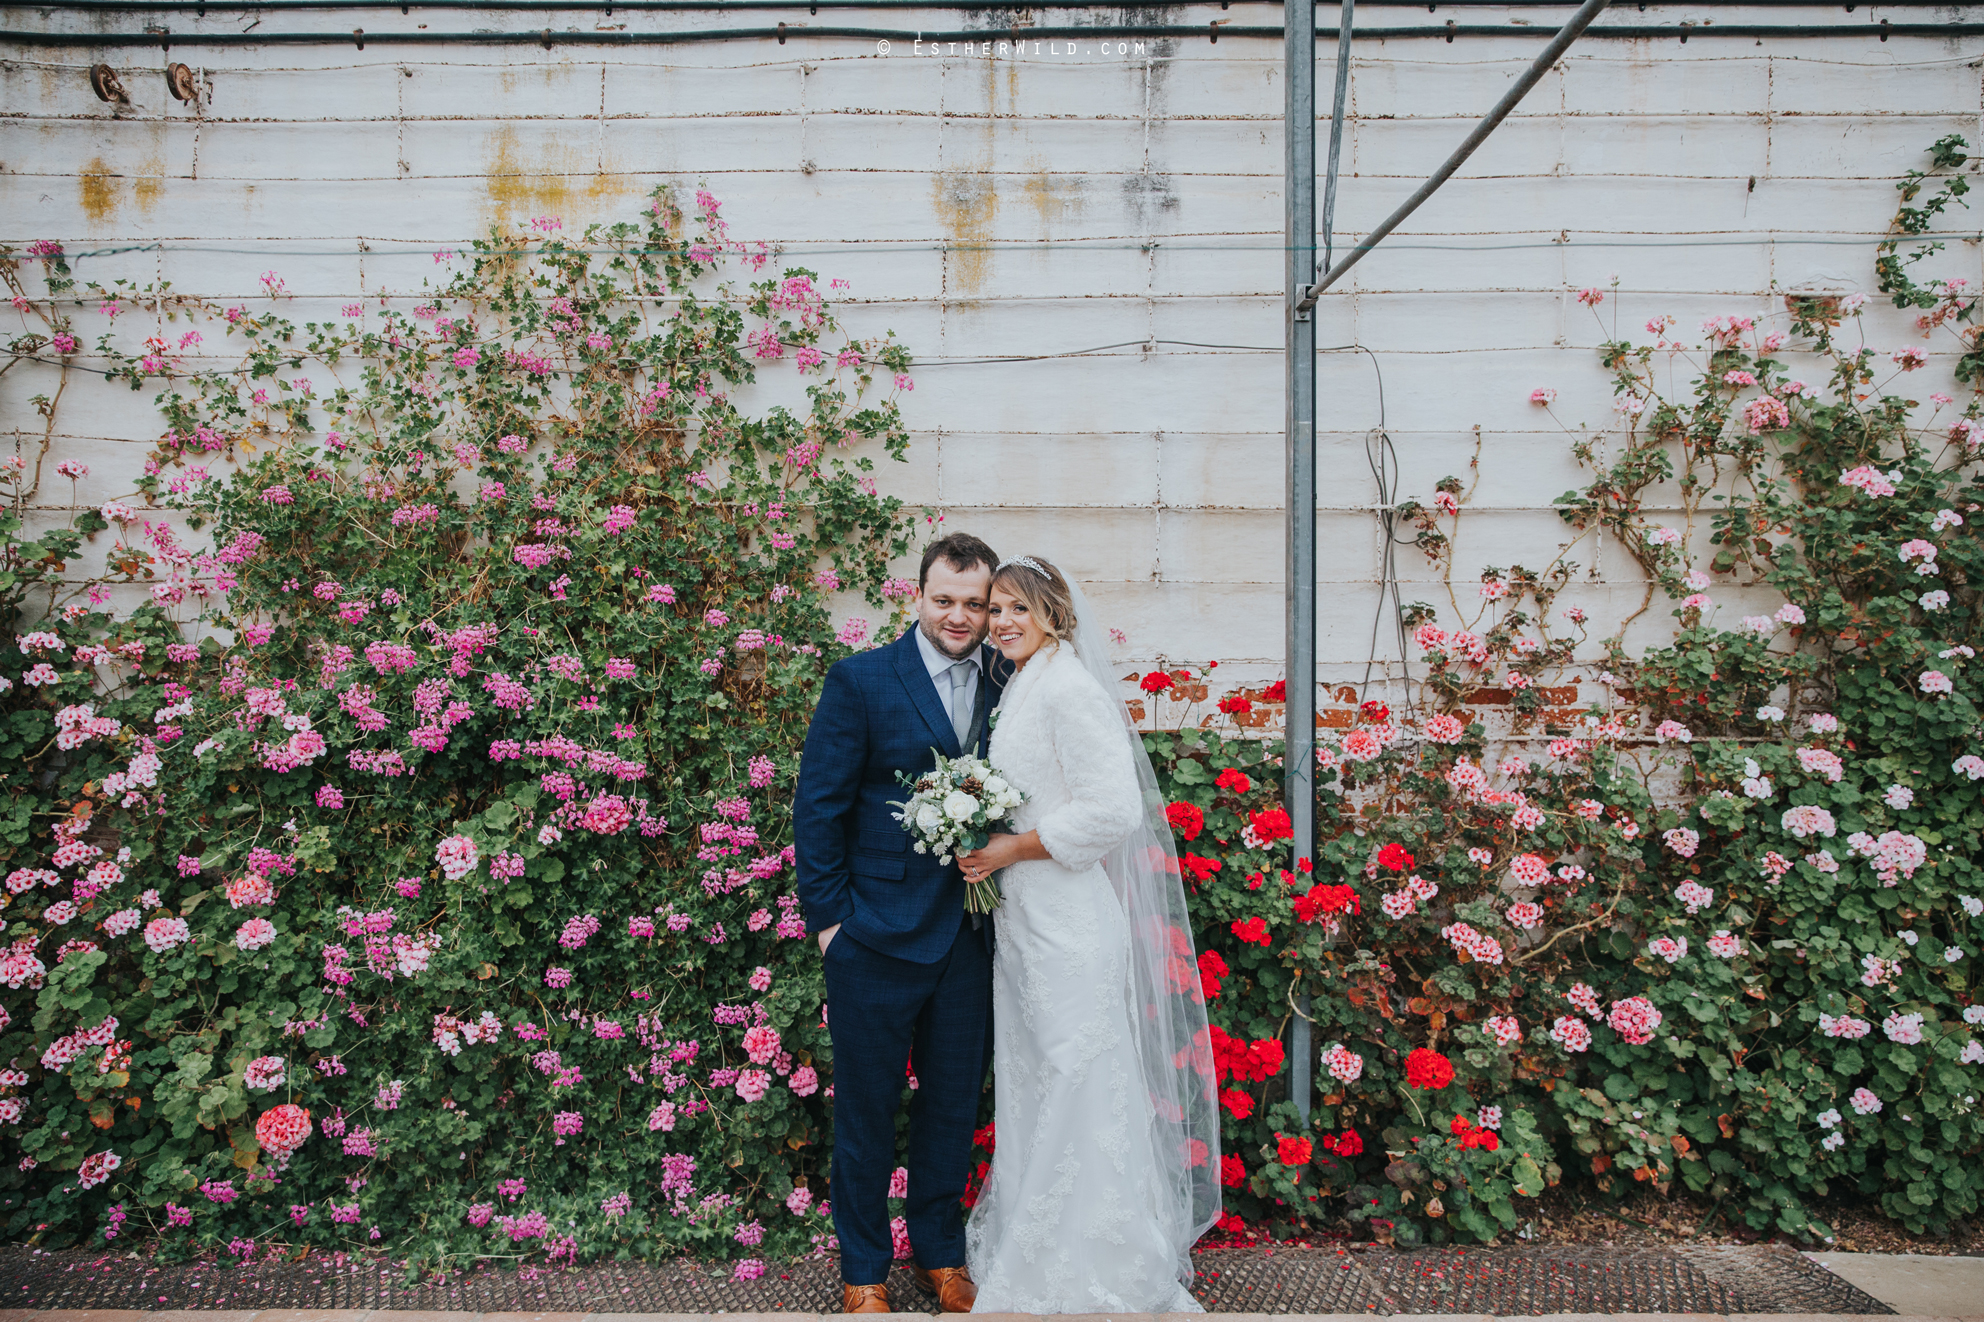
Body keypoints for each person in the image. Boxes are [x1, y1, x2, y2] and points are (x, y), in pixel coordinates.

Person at [955, 554, 1220, 1314]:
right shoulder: (1025, 684)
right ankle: (1037, 1241)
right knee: (1038, 1076)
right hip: (1028, 922)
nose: (1001, 622)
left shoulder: (1069, 689)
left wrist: (1012, 846)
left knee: (1076, 1075)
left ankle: (1096, 1258)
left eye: (1016, 608)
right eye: (994, 609)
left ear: (1052, 613)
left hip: (1069, 919)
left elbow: (1112, 811)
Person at [793, 532, 1005, 1315]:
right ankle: (863, 1272)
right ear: (917, 595)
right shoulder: (861, 681)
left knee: (952, 1105)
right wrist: (830, 926)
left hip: (968, 935)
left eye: (974, 604)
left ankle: (940, 1257)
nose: (959, 615)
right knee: (867, 1111)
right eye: (945, 599)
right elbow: (818, 808)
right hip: (873, 935)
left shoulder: (1006, 680)